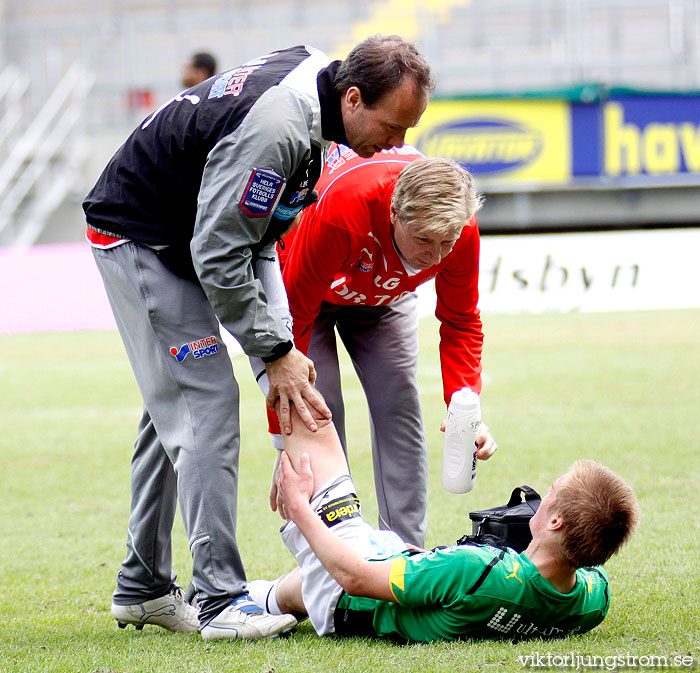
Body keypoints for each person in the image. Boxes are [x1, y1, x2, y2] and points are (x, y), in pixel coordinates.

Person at [83, 35, 433, 640]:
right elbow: (219, 253)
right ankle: (219, 600)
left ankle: (141, 586)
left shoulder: (321, 93)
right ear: (352, 97)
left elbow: (261, 239)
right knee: (205, 406)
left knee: (171, 406)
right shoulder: (280, 130)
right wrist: (272, 351)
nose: (398, 145)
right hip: (140, 236)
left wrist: (283, 349)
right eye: (392, 126)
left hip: (184, 236)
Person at [249, 405, 640, 642]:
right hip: (393, 561)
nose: (544, 493)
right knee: (278, 598)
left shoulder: (476, 569)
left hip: (347, 593)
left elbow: (354, 577)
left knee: (306, 411)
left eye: (553, 489)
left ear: (555, 520)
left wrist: (300, 507)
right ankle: (223, 600)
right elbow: (583, 568)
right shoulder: (593, 599)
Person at [266, 145, 496, 547]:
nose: (436, 257)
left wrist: (465, 407)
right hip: (309, 298)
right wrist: (284, 438)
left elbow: (460, 320)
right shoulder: (343, 209)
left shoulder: (460, 229)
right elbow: (295, 318)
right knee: (317, 411)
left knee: (399, 406)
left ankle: (404, 556)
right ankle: (337, 555)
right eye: (425, 240)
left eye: (448, 242)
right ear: (394, 212)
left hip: (384, 299)